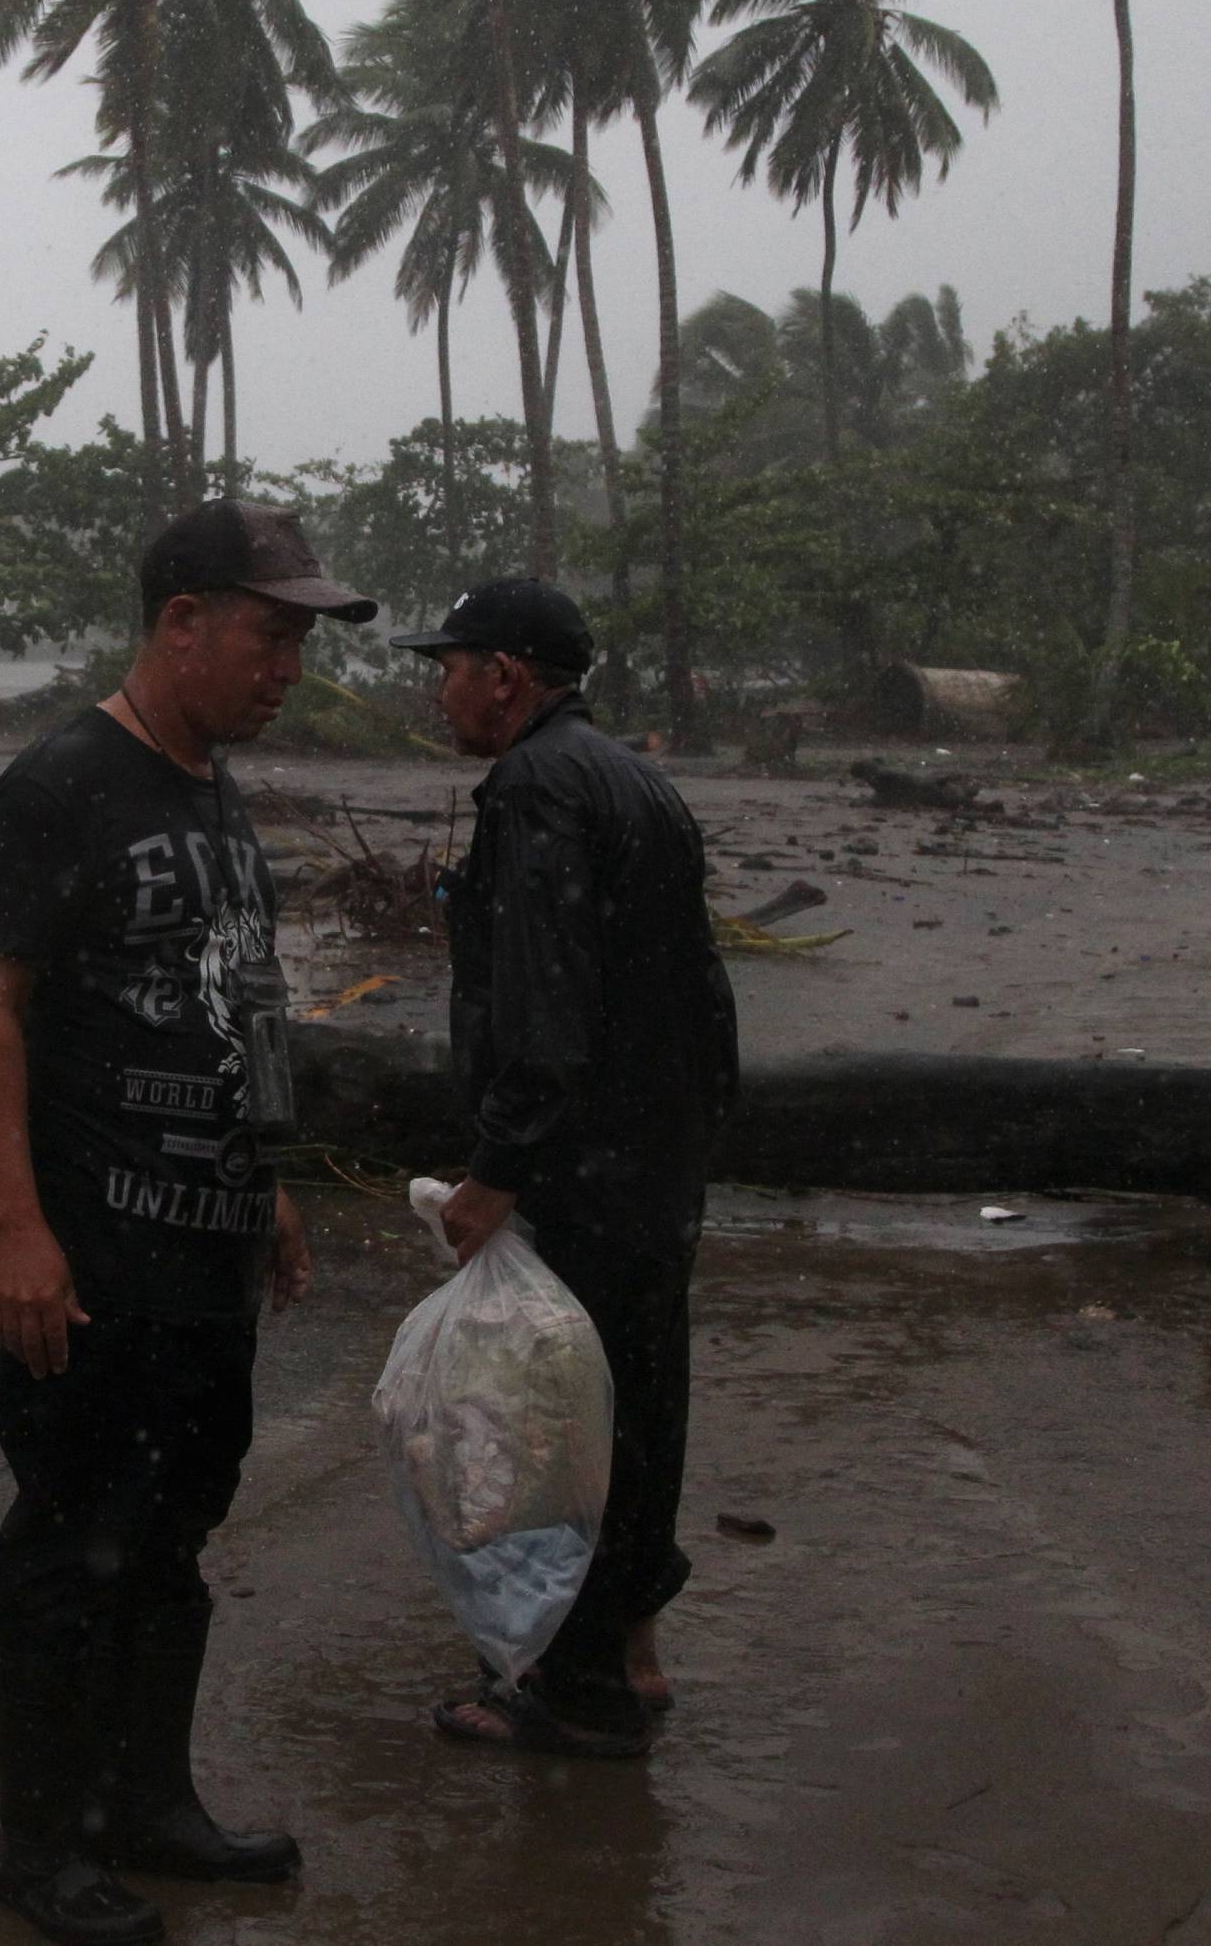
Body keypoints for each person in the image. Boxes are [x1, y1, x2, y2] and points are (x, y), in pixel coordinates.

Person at [0, 500, 377, 1946]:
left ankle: (148, 1807)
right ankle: (43, 1852)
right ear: (181, 620)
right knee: (73, 1543)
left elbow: (235, 997)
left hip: (206, 1247)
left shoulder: (211, 793)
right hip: (93, 1250)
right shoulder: (60, 784)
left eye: (301, 644)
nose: (288, 671)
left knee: (177, 1533)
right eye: (271, 635)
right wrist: (18, 1224)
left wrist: (267, 1183)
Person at [390, 579, 739, 1757]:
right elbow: (698, 986)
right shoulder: (633, 775)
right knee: (639, 1402)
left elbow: (547, 1002)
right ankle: (631, 1653)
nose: (441, 690)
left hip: (588, 1163)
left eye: (452, 667)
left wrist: (500, 1165)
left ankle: (575, 1687)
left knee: (566, 1424)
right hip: (653, 1155)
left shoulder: (538, 785)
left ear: (506, 675)